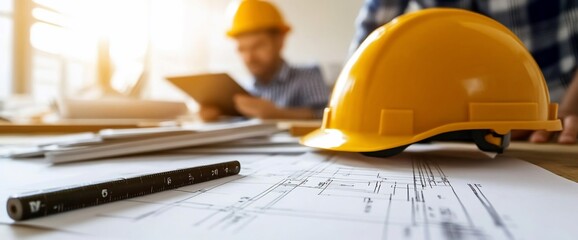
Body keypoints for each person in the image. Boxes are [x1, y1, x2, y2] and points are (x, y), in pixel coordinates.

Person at [351, 0, 578, 144]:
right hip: (440, 121)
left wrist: (570, 108)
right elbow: (372, 39)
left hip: (558, 109)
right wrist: (353, 109)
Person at [199, 0, 330, 121]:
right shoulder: (245, 90)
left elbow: (327, 116)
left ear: (280, 41)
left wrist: (278, 114)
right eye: (242, 49)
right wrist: (219, 117)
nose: (249, 58)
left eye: (257, 46)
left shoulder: (308, 77)